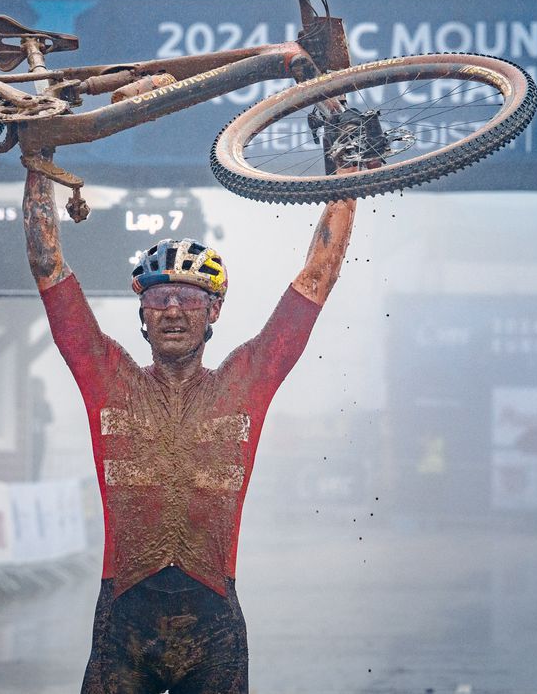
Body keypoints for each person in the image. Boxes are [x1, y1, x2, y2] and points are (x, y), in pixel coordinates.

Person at [23, 163, 355, 694]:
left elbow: (316, 277)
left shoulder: (247, 380)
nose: (173, 311)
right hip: (123, 629)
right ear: (142, 313)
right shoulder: (106, 376)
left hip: (214, 629)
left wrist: (346, 174)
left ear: (214, 311)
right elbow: (47, 264)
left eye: (190, 299)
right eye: (158, 299)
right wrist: (39, 162)